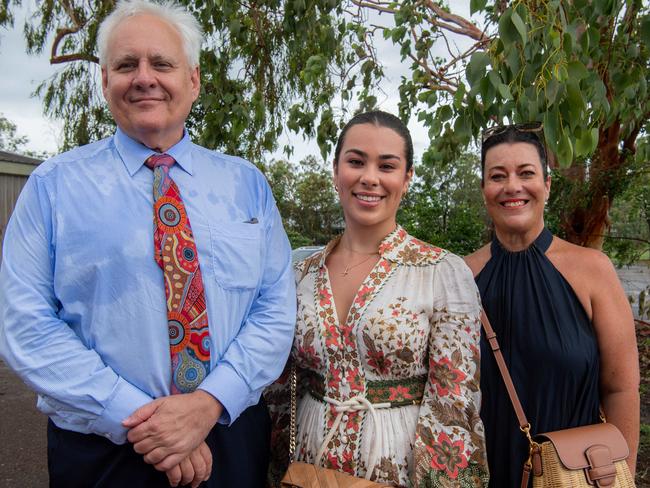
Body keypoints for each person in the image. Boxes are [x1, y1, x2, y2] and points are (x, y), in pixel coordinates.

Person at [0, 1, 296, 487]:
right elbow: (25, 323)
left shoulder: (247, 186)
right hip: (102, 448)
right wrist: (146, 422)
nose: (144, 78)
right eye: (125, 65)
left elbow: (274, 311)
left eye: (161, 63)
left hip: (227, 437)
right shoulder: (53, 188)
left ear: (194, 80)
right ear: (104, 82)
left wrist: (206, 405)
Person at [266, 111, 489, 487]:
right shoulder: (299, 276)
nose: (370, 177)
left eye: (387, 165)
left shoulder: (441, 273)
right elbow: (280, 392)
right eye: (356, 162)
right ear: (336, 171)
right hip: (307, 469)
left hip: (399, 469)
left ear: (406, 178)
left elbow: (455, 406)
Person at [464, 123, 640, 487]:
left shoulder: (593, 271)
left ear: (547, 184)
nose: (512, 186)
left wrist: (621, 475)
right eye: (498, 176)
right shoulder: (459, 277)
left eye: (526, 173)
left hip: (574, 476)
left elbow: (621, 389)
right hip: (483, 475)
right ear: (484, 190)